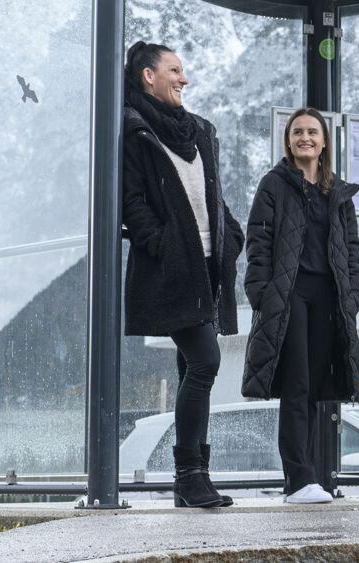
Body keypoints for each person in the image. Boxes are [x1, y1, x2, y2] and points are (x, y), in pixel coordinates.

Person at [120, 42, 242, 509]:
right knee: (206, 362)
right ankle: (191, 474)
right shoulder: (135, 130)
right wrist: (165, 247)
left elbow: (210, 194)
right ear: (148, 76)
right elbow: (133, 204)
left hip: (208, 267)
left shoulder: (198, 131)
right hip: (173, 271)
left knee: (193, 366)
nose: (183, 78)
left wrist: (232, 234)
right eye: (174, 70)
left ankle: (188, 481)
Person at [241, 107, 359, 504]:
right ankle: (298, 480)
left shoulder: (338, 193)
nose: (305, 137)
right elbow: (257, 243)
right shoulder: (274, 184)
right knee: (296, 385)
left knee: (314, 388)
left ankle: (308, 477)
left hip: (328, 298)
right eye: (297, 132)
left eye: (312, 131)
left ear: (324, 141)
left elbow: (352, 250)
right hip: (289, 294)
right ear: (289, 140)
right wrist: (262, 294)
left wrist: (353, 294)